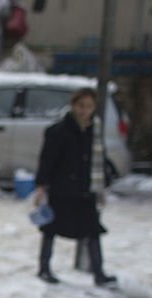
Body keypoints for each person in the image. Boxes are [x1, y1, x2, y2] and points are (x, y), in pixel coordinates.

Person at [32, 87, 118, 287]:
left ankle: (99, 273)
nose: (84, 111)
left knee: (93, 231)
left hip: (85, 190)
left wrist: (100, 189)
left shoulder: (94, 132)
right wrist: (40, 187)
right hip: (62, 189)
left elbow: (99, 162)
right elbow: (47, 160)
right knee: (50, 228)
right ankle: (44, 268)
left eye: (89, 106)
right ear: (73, 106)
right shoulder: (58, 131)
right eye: (81, 106)